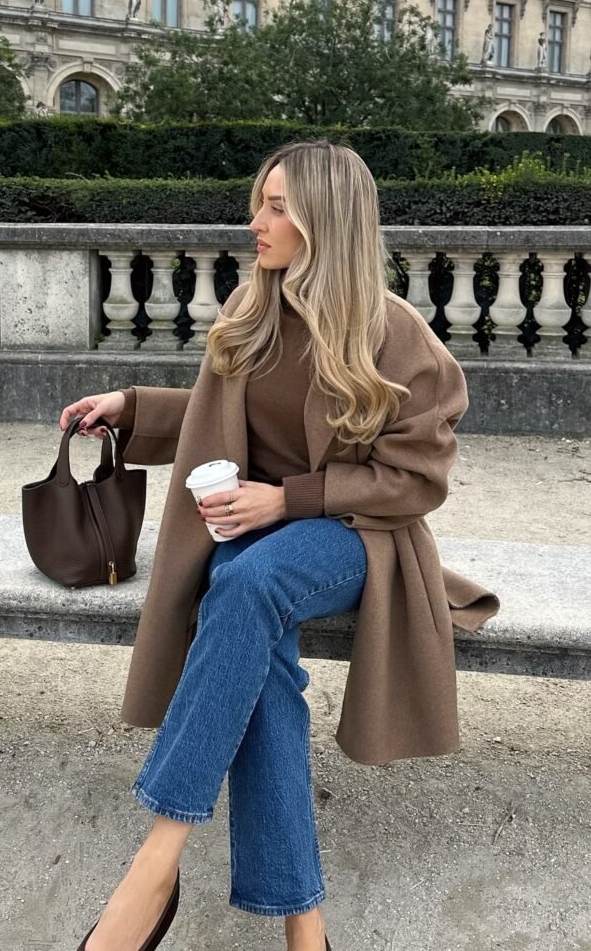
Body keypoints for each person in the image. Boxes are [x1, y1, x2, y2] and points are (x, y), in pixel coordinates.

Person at [59, 140, 499, 951]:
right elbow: (218, 409)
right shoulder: (250, 308)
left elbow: (417, 478)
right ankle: (306, 926)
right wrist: (129, 406)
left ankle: (156, 861)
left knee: (249, 585)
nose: (254, 222)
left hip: (352, 535)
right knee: (255, 652)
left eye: (276, 207)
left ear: (326, 221)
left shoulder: (396, 335)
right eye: (259, 202)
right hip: (249, 530)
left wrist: (289, 498)